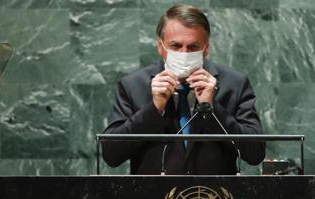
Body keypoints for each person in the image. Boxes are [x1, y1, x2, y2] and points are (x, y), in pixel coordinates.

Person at [102, 4, 265, 175]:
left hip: (214, 197)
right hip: (152, 197)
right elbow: (111, 155)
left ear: (206, 48)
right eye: (176, 46)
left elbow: (255, 154)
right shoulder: (132, 85)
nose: (184, 53)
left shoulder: (234, 84)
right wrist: (154, 109)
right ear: (160, 46)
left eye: (193, 47)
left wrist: (211, 108)